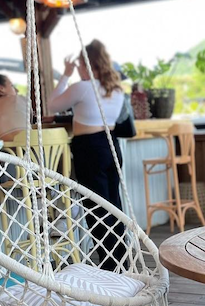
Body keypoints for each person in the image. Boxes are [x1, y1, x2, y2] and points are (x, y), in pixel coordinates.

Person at [47, 39, 126, 271]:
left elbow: (52, 105)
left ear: (87, 64)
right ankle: (121, 261)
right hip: (112, 145)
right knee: (114, 205)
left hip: (90, 148)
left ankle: (110, 268)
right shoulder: (115, 88)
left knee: (96, 209)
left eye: (80, 64)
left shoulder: (82, 87)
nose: (79, 69)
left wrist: (65, 74)